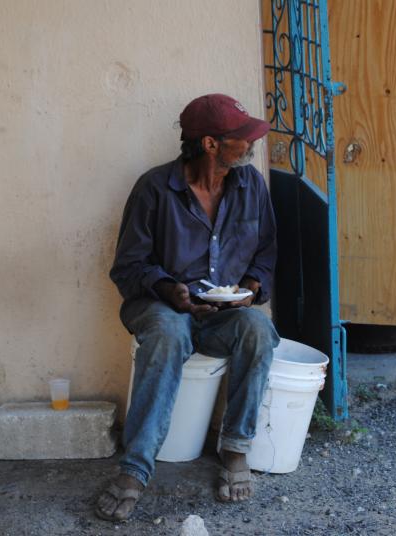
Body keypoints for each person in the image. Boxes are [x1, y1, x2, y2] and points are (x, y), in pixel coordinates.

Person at [96, 94, 280, 521]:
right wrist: (168, 288)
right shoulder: (155, 188)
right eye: (242, 137)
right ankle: (135, 470)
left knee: (257, 329)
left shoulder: (251, 184)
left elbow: (267, 253)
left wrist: (252, 286)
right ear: (211, 144)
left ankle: (235, 449)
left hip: (223, 315)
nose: (251, 145)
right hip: (163, 308)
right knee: (169, 331)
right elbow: (128, 267)